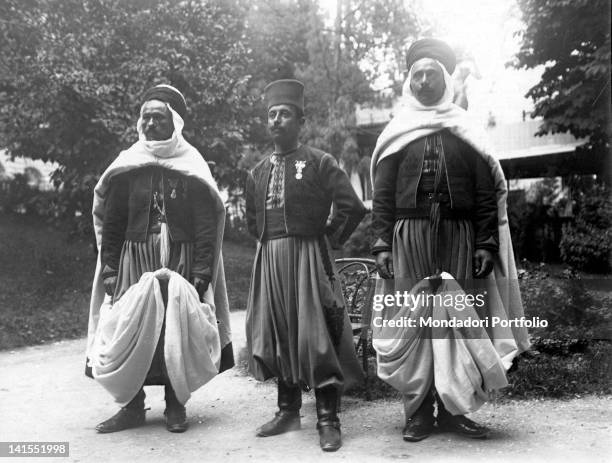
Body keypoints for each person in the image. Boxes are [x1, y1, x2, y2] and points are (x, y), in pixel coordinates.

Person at [370, 39, 530, 442]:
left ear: (444, 79)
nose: (424, 81)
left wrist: (485, 243)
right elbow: (383, 193)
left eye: (431, 74)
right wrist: (382, 244)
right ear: (410, 81)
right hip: (409, 235)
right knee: (416, 320)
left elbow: (483, 191)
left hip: (459, 234)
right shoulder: (397, 131)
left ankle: (456, 409)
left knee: (458, 320)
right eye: (417, 74)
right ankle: (420, 412)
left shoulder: (465, 129)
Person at [85, 84, 233, 434]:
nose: (150, 124)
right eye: (146, 117)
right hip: (135, 256)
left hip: (179, 256)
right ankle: (132, 406)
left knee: (173, 326)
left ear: (174, 123)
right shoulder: (128, 165)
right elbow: (113, 219)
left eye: (158, 117)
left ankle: (175, 404)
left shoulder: (191, 164)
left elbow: (205, 223)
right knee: (130, 326)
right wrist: (109, 267)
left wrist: (201, 270)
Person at [245, 79, 366, 452]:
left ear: (301, 120)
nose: (277, 120)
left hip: (309, 258)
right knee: (280, 332)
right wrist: (269, 243)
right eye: (272, 115)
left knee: (316, 335)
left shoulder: (318, 162)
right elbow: (252, 219)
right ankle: (287, 411)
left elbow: (352, 205)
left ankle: (328, 419)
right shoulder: (257, 171)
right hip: (270, 259)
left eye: (285, 114)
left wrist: (327, 238)